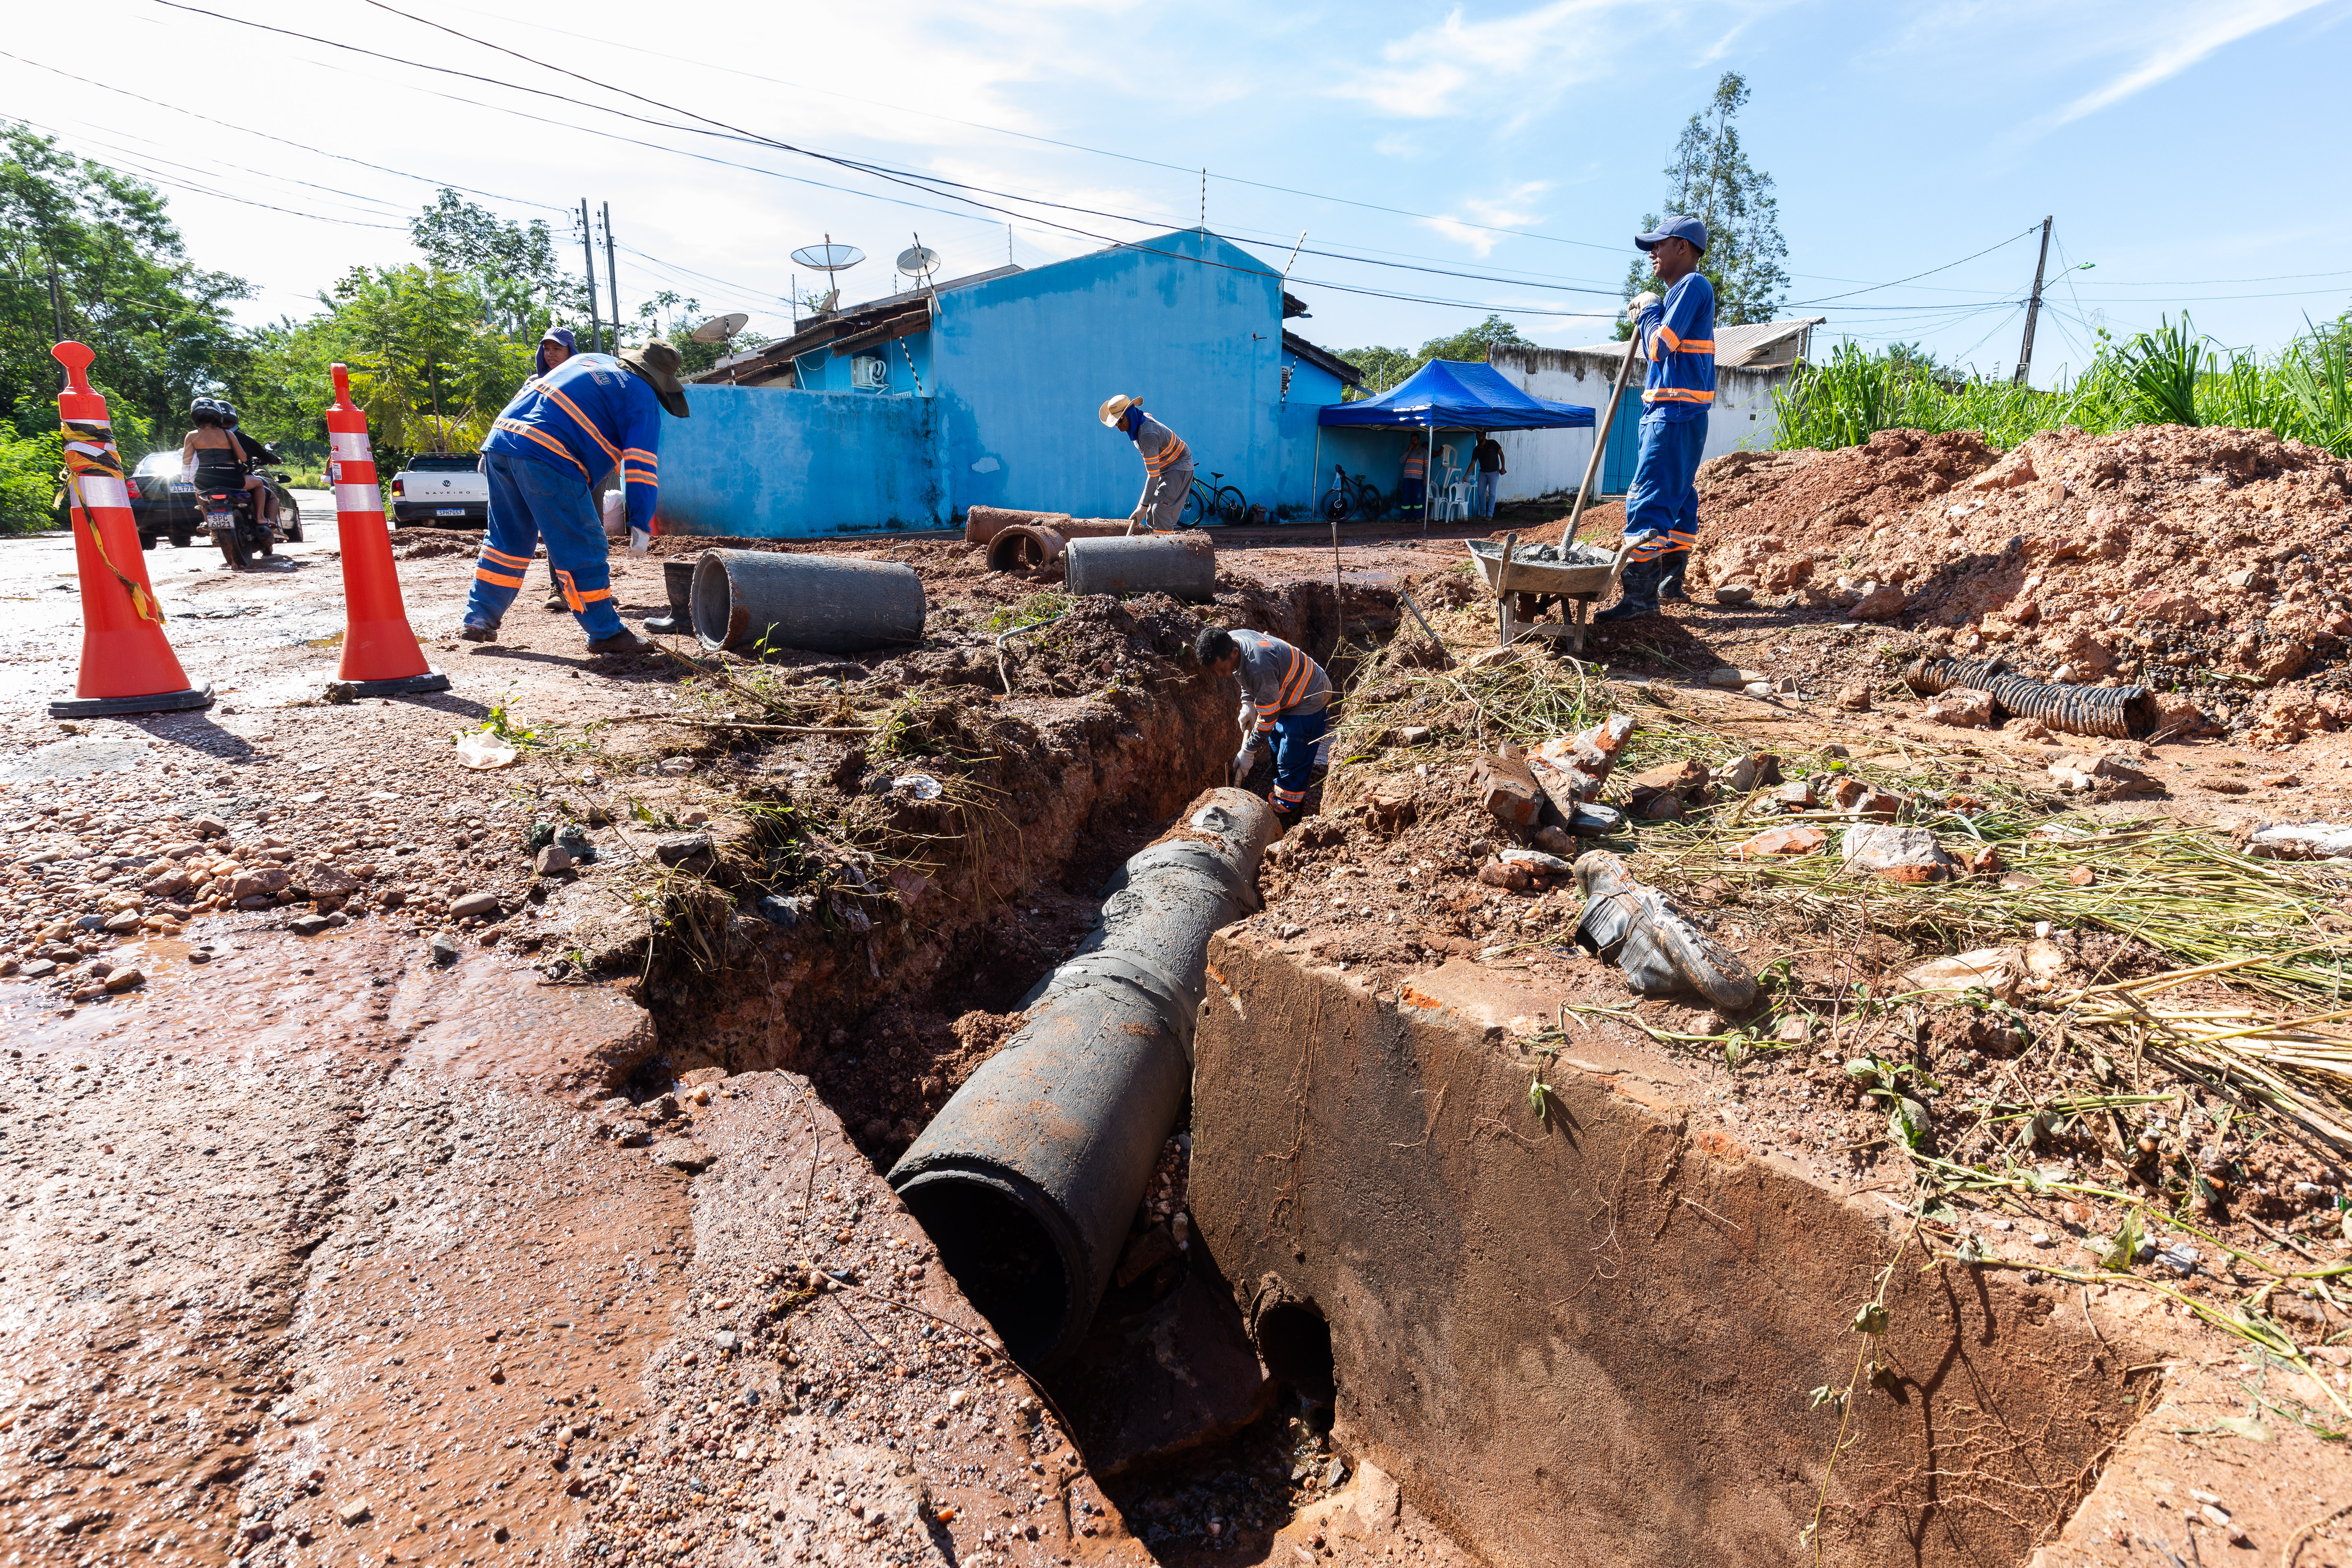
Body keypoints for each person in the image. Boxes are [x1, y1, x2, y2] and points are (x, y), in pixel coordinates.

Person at [461, 341, 689, 655]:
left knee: (507, 541)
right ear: (661, 382)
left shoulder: (588, 361)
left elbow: (531, 387)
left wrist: (495, 446)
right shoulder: (642, 396)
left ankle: (479, 619)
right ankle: (606, 633)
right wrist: (639, 519)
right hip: (549, 455)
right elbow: (641, 465)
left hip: (502, 440)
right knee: (583, 544)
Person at [1596, 214, 1715, 623]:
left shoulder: (1691, 286)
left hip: (1673, 412)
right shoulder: (1682, 294)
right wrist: (1655, 308)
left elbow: (1659, 347)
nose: (1652, 254)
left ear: (1682, 247)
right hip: (1676, 411)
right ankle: (1669, 581)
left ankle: (1641, 599)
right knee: (1679, 496)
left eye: (1658, 245)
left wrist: (1648, 312)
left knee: (1648, 497)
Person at [1197, 625, 1331, 824]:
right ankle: (1286, 794)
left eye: (1221, 670)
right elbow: (1246, 677)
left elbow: (1268, 716)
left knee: (1291, 757)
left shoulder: (1260, 665)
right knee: (1276, 747)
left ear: (1234, 653)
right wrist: (1248, 703)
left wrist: (1249, 751)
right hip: (1285, 692)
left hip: (1309, 697)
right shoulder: (1232, 641)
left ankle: (1287, 814)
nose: (1220, 676)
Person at [178, 398, 277, 558]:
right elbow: (244, 458)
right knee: (259, 484)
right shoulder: (227, 434)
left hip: (205, 480)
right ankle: (260, 518)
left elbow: (187, 461)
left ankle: (206, 521)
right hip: (231, 478)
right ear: (218, 416)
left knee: (199, 490)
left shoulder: (191, 436)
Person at [1099, 395, 1194, 532]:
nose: (1118, 425)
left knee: (1159, 511)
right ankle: (1154, 545)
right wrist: (1143, 507)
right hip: (1166, 466)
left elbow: (1153, 475)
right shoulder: (1139, 421)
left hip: (1179, 466)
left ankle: (1164, 550)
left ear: (1130, 414)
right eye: (1116, 423)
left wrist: (1142, 508)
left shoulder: (1147, 435)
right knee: (1151, 510)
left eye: (1120, 420)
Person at [1471, 430, 1506, 519]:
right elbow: (1473, 463)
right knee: (1480, 493)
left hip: (1494, 472)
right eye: (1477, 436)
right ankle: (1482, 514)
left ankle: (1490, 515)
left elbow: (1502, 455)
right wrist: (1466, 475)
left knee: (1492, 493)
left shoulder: (1493, 443)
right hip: (1483, 472)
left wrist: (1503, 468)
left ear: (1484, 436)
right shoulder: (1477, 449)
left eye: (1480, 436)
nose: (1478, 438)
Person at [1398, 438, 1427, 524]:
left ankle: (1418, 517)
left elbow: (1427, 466)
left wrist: (1426, 477)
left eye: (1415, 440)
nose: (1413, 442)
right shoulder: (1408, 451)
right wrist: (1408, 450)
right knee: (1406, 498)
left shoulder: (1423, 451)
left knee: (1418, 499)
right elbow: (1401, 461)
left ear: (1419, 440)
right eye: (1412, 440)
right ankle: (1405, 517)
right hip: (1407, 478)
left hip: (1419, 479)